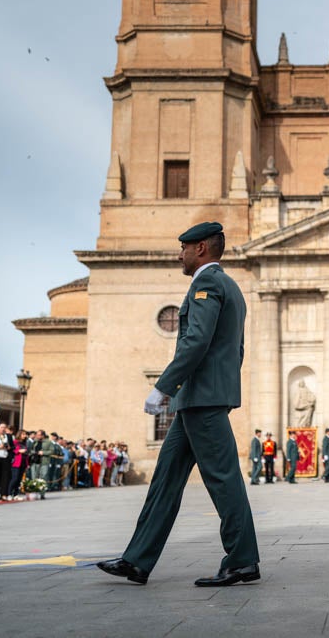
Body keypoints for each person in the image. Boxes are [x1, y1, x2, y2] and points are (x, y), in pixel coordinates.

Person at [97, 222, 260, 587]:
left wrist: (164, 387)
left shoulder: (206, 284)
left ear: (201, 248)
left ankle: (242, 560)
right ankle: (137, 560)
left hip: (202, 399)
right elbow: (236, 348)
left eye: (184, 248)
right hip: (200, 398)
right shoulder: (231, 287)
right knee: (165, 481)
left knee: (222, 479)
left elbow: (196, 341)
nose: (179, 255)